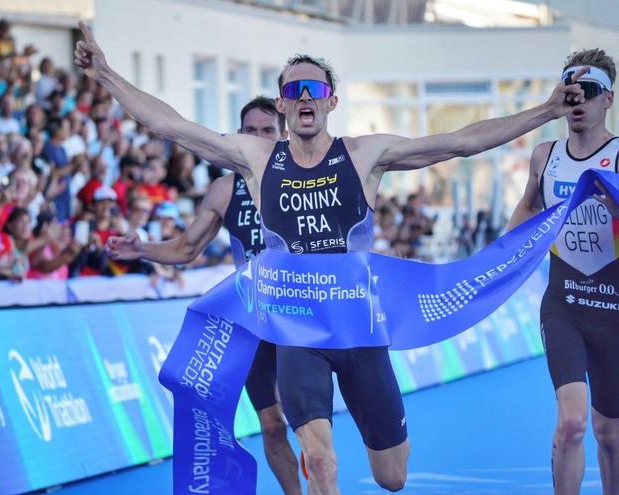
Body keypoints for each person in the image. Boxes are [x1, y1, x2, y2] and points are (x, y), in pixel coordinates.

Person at [75, 21, 585, 493]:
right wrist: (105, 75)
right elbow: (172, 126)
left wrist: (545, 111)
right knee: (318, 461)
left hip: (361, 330)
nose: (303, 97)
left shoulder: (364, 155)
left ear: (330, 101)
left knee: (393, 475)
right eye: (293, 90)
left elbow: (458, 143)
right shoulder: (256, 159)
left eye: (313, 89)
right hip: (299, 331)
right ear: (280, 104)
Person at [107, 96, 301, 494]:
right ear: (238, 136)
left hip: (302, 318)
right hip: (253, 323)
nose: (259, 138)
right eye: (251, 131)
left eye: (268, 131)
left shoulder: (304, 180)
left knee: (311, 425)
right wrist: (142, 248)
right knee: (272, 424)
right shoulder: (223, 190)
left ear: (282, 136)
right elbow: (185, 249)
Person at [507, 49, 619, 495]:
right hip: (564, 304)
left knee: (609, 434)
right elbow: (529, 206)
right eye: (569, 92)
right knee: (571, 423)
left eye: (588, 92)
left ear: (607, 98)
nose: (578, 101)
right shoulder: (545, 156)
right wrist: (508, 249)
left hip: (612, 308)